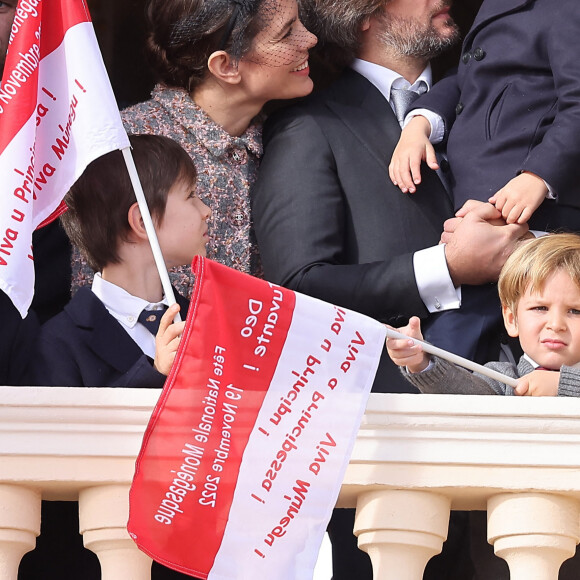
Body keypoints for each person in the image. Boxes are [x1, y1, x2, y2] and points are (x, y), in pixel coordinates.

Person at [251, 0, 528, 577]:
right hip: (394, 441)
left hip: (527, 420)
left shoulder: (500, 93)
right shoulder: (312, 122)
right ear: (365, 16)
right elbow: (296, 286)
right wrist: (446, 267)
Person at [25, 134, 210, 580]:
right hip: (99, 560)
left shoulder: (208, 319)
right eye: (191, 195)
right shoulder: (60, 340)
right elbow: (62, 458)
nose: (206, 210)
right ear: (141, 221)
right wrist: (154, 373)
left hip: (194, 559)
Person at [65, 0, 318, 299]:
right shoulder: (124, 144)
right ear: (226, 65)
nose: (310, 39)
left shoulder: (296, 139)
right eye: (287, 34)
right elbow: (95, 299)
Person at [388, 0, 580, 362]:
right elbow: (467, 78)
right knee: (453, 350)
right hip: (481, 220)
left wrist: (539, 175)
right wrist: (420, 123)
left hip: (538, 217)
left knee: (552, 341)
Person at [386, 232, 580, 579]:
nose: (556, 323)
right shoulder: (502, 378)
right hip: (506, 546)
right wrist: (422, 362)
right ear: (511, 318)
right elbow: (469, 398)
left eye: (575, 310)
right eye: (539, 307)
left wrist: (565, 386)